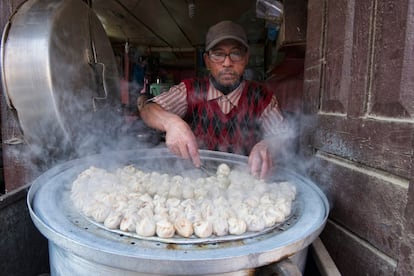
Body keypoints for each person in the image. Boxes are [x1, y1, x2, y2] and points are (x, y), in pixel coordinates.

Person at [139, 20, 286, 179]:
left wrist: (268, 145)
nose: (227, 63)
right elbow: (148, 109)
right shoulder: (190, 90)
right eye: (218, 54)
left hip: (245, 186)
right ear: (207, 60)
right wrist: (171, 123)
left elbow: (283, 136)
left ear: (246, 58)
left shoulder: (263, 97)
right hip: (196, 182)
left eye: (236, 53)